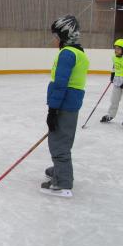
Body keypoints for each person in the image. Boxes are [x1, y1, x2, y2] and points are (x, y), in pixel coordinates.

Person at [42, 15, 89, 198]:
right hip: (71, 103)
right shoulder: (79, 52)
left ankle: (62, 183)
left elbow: (61, 84)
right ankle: (60, 170)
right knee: (63, 139)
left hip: (63, 103)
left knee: (58, 142)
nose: (54, 40)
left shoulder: (67, 54)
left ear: (65, 35)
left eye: (56, 36)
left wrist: (53, 110)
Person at [100, 39, 123, 128]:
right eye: (115, 48)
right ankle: (110, 115)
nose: (116, 50)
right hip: (116, 83)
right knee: (114, 101)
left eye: (118, 49)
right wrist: (112, 75)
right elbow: (114, 66)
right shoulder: (115, 57)